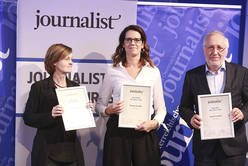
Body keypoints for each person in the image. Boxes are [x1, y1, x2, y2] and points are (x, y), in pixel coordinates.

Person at [96, 25, 167, 166]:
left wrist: (154, 123)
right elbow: (99, 104)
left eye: (136, 40)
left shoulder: (153, 71)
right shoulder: (113, 70)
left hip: (145, 131)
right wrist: (108, 110)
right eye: (128, 40)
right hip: (118, 132)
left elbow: (161, 108)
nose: (132, 43)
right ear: (123, 44)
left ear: (143, 44)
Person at [179, 31, 248, 166]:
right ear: (204, 50)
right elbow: (183, 107)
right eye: (210, 47)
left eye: (219, 48)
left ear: (226, 50)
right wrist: (191, 117)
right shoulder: (192, 76)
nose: (215, 52)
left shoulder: (242, 73)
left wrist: (243, 113)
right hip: (204, 150)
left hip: (234, 149)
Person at [23, 44, 86, 166]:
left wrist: (86, 109)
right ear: (54, 62)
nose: (71, 63)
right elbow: (28, 118)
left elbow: (78, 119)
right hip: (47, 150)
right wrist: (50, 115)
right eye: (66, 59)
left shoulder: (75, 87)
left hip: (71, 149)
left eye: (71, 59)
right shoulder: (39, 88)